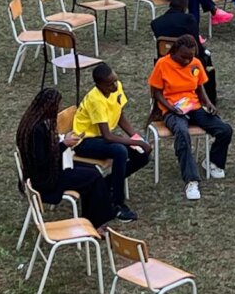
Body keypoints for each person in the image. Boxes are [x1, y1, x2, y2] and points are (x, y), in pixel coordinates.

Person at [16, 87, 117, 228]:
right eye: (57, 106)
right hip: (46, 179)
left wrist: (62, 141)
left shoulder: (31, 123)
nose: (58, 109)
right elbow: (43, 161)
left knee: (93, 170)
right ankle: (96, 222)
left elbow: (45, 152)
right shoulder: (37, 131)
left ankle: (91, 218)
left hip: (47, 171)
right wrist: (64, 144)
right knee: (93, 177)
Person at [149, 34, 233, 201]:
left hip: (193, 106)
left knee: (224, 129)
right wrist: (170, 108)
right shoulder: (162, 64)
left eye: (190, 57)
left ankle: (213, 162)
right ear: (174, 52)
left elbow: (200, 87)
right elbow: (156, 92)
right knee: (182, 133)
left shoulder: (195, 63)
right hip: (172, 109)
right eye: (184, 57)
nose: (187, 61)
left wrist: (208, 103)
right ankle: (191, 180)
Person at [71, 64, 152, 222]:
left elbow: (120, 115)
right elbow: (108, 136)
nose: (115, 85)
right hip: (84, 141)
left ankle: (105, 184)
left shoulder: (116, 87)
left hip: (101, 138)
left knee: (142, 156)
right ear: (99, 85)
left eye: (115, 80)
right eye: (110, 84)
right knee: (119, 151)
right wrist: (137, 143)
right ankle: (117, 204)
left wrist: (137, 139)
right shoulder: (96, 100)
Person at [151, 0, 218, 104]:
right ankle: (210, 98)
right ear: (185, 7)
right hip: (189, 60)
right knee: (207, 60)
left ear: (170, 4)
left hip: (165, 60)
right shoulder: (189, 19)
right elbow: (195, 44)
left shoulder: (156, 23)